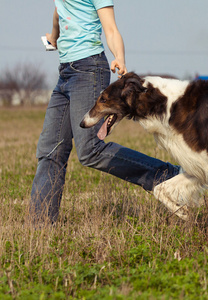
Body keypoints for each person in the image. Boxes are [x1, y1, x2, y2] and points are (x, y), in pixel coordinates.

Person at [30, 0, 180, 223]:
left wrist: (119, 57)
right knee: (50, 151)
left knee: (90, 150)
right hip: (66, 73)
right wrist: (54, 36)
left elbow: (110, 29)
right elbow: (59, 11)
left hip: (88, 69)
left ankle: (167, 177)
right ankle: (40, 227)